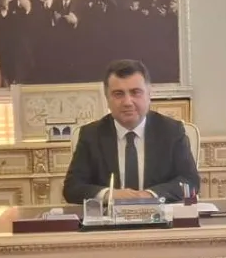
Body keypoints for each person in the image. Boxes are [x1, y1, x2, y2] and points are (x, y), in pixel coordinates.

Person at [63, 59, 200, 203]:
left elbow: (190, 181)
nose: (127, 102)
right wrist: (110, 195)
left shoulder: (171, 131)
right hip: (109, 215)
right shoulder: (91, 135)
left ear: (149, 95)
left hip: (159, 215)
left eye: (136, 92)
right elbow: (72, 188)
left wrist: (150, 195)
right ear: (107, 98)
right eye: (118, 94)